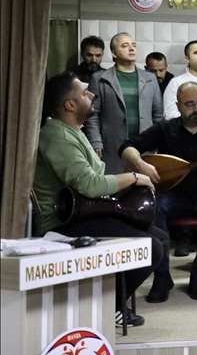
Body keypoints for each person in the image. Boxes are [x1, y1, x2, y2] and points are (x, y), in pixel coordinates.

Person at [33, 72, 166, 327]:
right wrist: (134, 177)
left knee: (159, 237)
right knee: (152, 247)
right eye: (84, 93)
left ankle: (110, 302)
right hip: (65, 223)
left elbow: (96, 180)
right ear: (70, 105)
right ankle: (109, 307)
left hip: (87, 212)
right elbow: (90, 184)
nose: (91, 95)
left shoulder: (72, 131)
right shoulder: (58, 136)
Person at [120, 82, 197, 302]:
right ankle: (162, 276)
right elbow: (127, 146)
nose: (196, 109)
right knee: (153, 209)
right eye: (190, 104)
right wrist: (141, 164)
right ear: (178, 105)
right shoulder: (165, 129)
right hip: (172, 193)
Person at [84, 32, 163, 174]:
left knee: (142, 187)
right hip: (112, 144)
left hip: (144, 144)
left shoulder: (150, 78)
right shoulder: (100, 78)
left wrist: (158, 140)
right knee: (114, 187)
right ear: (114, 54)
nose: (131, 49)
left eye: (133, 45)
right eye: (125, 46)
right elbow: (92, 114)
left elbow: (158, 114)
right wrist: (95, 141)